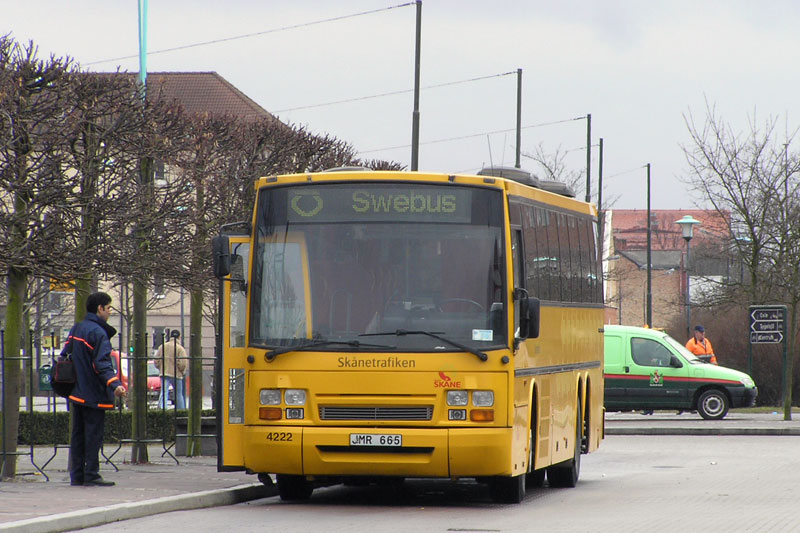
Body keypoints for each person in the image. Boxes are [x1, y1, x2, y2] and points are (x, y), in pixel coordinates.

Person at [63, 291, 127, 487]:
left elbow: (65, 354)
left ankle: (77, 475)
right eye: (108, 308)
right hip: (94, 393)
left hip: (76, 392)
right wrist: (115, 384)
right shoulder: (98, 333)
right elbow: (102, 364)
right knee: (93, 435)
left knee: (78, 434)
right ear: (100, 308)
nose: (109, 313)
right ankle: (91, 474)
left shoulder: (77, 328)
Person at [154, 330, 187, 409]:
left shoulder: (162, 347)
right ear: (179, 337)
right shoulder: (180, 348)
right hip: (177, 374)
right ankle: (180, 410)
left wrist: (160, 367)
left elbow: (156, 361)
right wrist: (181, 371)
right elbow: (183, 363)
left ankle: (163, 409)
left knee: (164, 392)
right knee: (178, 394)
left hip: (164, 372)